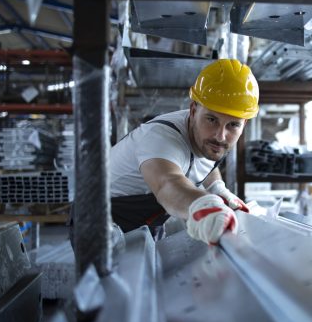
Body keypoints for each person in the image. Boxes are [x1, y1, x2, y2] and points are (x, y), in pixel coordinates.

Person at [109, 59, 259, 244]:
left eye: (233, 125)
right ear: (193, 110)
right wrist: (203, 205)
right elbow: (168, 184)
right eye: (211, 119)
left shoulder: (207, 139)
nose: (220, 136)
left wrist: (217, 188)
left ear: (244, 124)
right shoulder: (161, 139)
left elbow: (208, 161)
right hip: (104, 224)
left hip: (146, 222)